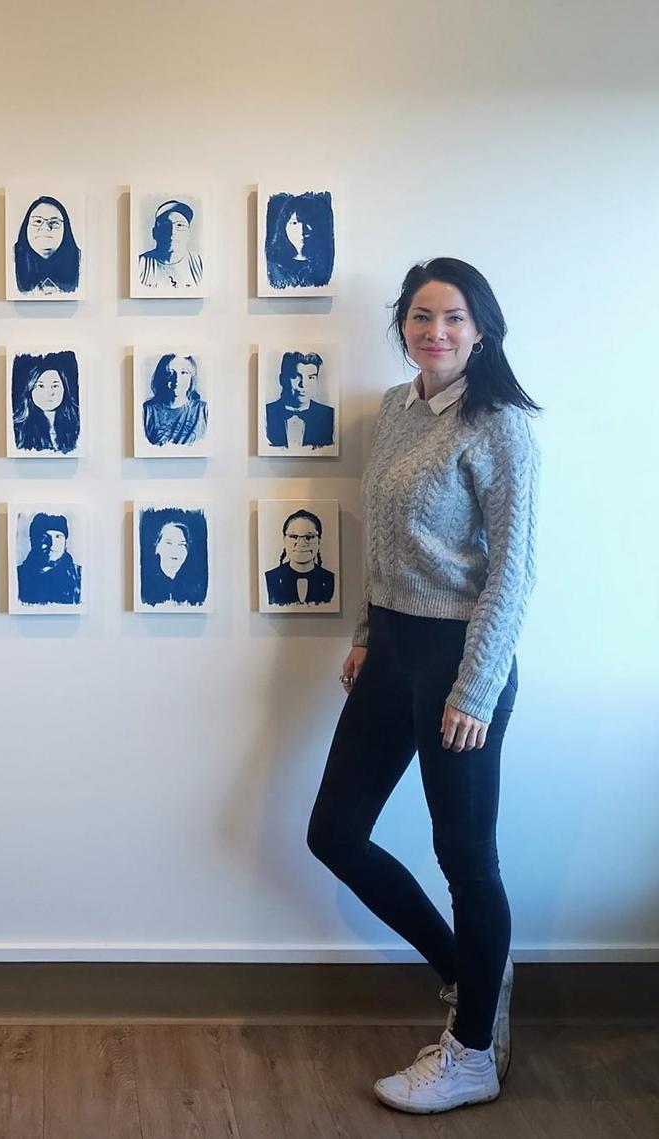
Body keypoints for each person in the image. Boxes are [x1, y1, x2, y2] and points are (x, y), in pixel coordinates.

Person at [306, 258, 540, 1114]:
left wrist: (475, 689)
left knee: (466, 857)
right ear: (402, 324)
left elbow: (513, 570)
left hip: (459, 657)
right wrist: (368, 634)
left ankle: (472, 1055)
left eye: (453, 317)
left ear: (481, 329)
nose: (435, 331)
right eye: (420, 315)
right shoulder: (395, 409)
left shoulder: (500, 427)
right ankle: (473, 974)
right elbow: (383, 541)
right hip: (395, 648)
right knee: (335, 832)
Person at [263, 191, 335, 290]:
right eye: (294, 223)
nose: (302, 230)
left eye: (307, 222)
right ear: (283, 226)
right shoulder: (274, 266)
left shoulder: (324, 264)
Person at [11, 352, 81, 454]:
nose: (49, 393)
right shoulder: (18, 429)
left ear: (65, 389)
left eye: (55, 386)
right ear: (30, 389)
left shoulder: (76, 426)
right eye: (41, 386)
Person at [12, 195, 81, 296]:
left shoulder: (79, 259)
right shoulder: (12, 258)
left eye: (54, 222)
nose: (45, 228)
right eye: (38, 221)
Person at [264, 351, 335, 449]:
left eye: (311, 377)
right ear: (282, 379)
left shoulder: (329, 415)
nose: (303, 384)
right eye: (296, 377)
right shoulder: (265, 413)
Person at [264, 508, 336, 605]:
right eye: (294, 536)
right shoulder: (271, 578)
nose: (301, 543)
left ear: (319, 541)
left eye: (309, 537)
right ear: (284, 540)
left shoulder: (330, 579)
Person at [139, 513, 208, 607]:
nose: (175, 550)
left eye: (181, 544)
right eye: (169, 543)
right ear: (157, 547)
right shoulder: (146, 585)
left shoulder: (194, 587)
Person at [136, 199, 203, 291]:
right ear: (154, 232)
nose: (172, 232)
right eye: (165, 225)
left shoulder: (200, 265)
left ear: (189, 233)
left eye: (180, 225)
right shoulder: (140, 264)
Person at [142, 353, 208, 446]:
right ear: (161, 377)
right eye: (170, 373)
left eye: (183, 372)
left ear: (191, 377)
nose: (177, 380)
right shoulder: (148, 410)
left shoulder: (202, 410)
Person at [17, 512, 82, 606]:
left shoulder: (78, 576)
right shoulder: (19, 575)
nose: (52, 544)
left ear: (65, 541)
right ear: (33, 541)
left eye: (58, 537)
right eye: (45, 537)